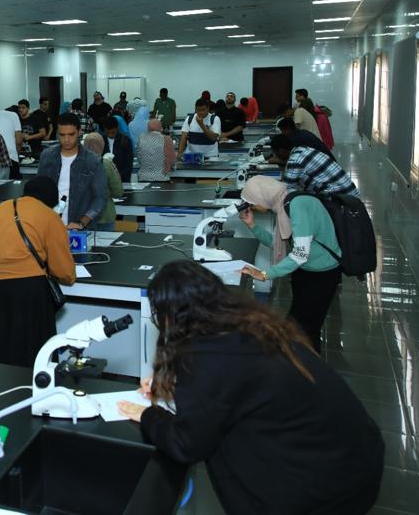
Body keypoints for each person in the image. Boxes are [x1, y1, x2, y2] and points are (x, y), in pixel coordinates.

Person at [116, 261, 383, 515]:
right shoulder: (247, 326)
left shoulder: (205, 356)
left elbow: (186, 444)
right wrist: (179, 388)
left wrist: (148, 415)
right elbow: (238, 387)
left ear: (170, 316)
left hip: (324, 488)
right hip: (354, 458)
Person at [237, 176, 343, 349]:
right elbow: (281, 245)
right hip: (306, 270)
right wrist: (252, 225)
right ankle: (301, 360)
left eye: (253, 203)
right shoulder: (285, 203)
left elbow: (300, 254)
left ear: (264, 196)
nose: (252, 207)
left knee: (303, 330)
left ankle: (307, 362)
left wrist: (265, 274)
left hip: (322, 274)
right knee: (299, 326)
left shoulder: (297, 206)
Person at [0, 176, 76, 366]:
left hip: (0, 289)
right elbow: (64, 271)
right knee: (36, 351)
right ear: (50, 198)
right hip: (32, 291)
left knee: (2, 347)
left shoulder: (0, 209)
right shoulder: (49, 216)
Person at [37, 113, 106, 230]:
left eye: (71, 134)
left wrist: (82, 223)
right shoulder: (47, 156)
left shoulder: (93, 161)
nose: (66, 139)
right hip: (48, 224)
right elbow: (38, 192)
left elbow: (100, 198)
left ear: (79, 132)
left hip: (79, 227)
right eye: (62, 135)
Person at [269, 135, 359, 197]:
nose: (276, 157)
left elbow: (286, 189)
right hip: (349, 192)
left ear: (281, 151)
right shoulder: (303, 149)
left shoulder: (294, 160)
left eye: (276, 153)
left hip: (340, 199)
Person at [81, 132, 124, 230]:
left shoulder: (76, 164)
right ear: (102, 145)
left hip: (83, 216)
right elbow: (118, 192)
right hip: (105, 214)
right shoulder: (106, 164)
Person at [101, 116, 134, 182]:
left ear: (117, 128)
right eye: (108, 133)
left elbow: (129, 162)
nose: (110, 135)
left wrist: (120, 177)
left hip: (122, 179)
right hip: (104, 179)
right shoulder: (101, 140)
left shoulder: (125, 141)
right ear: (104, 129)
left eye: (113, 132)